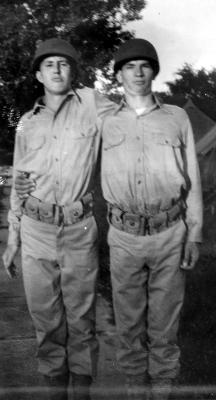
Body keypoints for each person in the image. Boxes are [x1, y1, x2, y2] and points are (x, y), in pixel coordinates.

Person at [2, 37, 114, 400]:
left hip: (79, 228)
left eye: (63, 64)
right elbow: (18, 181)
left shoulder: (93, 105)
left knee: (81, 320)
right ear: (38, 74)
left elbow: (131, 122)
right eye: (48, 64)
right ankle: (55, 392)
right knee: (46, 321)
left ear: (73, 70)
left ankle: (80, 394)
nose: (56, 69)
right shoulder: (26, 125)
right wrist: (12, 240)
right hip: (35, 229)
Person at [100, 38, 203, 400]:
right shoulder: (105, 121)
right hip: (124, 236)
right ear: (119, 75)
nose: (138, 72)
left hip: (170, 232)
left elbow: (192, 176)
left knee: (165, 322)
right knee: (128, 324)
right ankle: (134, 389)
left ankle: (162, 389)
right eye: (129, 66)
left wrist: (195, 233)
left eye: (145, 66)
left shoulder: (177, 117)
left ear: (154, 72)